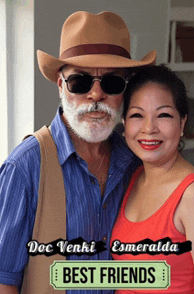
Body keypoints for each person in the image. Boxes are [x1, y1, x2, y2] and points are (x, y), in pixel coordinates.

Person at [0, 11, 156, 294]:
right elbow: (3, 279)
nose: (96, 95)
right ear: (61, 85)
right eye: (80, 82)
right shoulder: (25, 167)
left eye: (111, 82)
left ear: (125, 90)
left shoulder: (136, 162)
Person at [111, 65, 194, 293]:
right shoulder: (134, 179)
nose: (149, 129)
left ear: (182, 124)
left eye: (164, 115)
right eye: (137, 115)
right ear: (124, 123)